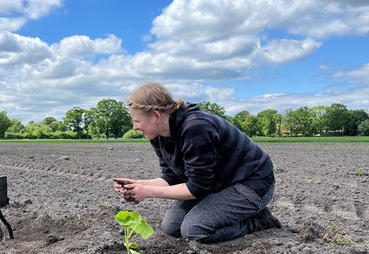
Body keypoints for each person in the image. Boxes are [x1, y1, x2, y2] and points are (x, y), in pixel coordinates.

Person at [113, 82, 281, 243]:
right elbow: (171, 177)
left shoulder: (196, 127)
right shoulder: (158, 135)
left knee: (194, 230)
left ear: (156, 116)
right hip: (219, 184)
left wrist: (147, 192)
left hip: (253, 183)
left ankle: (259, 221)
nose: (134, 127)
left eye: (137, 121)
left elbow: (198, 187)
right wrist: (136, 185)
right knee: (171, 227)